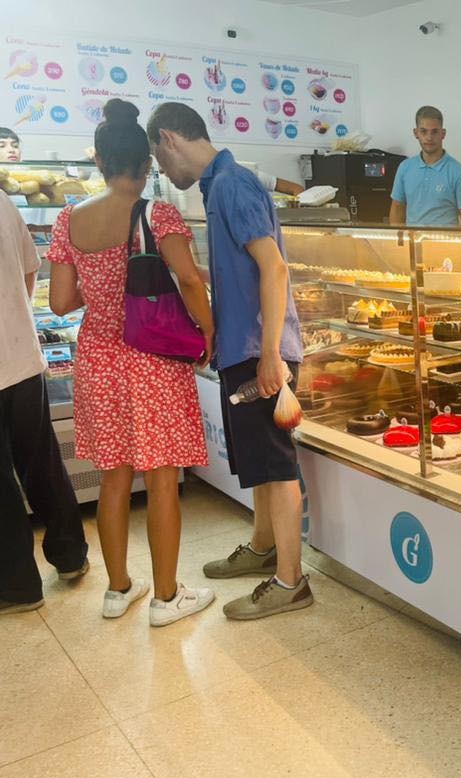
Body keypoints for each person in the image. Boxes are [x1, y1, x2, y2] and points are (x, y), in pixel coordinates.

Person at [47, 99, 215, 626]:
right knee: (163, 479)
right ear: (147, 164)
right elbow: (189, 279)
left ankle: (118, 589)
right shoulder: (156, 213)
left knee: (113, 478)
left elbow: (58, 302)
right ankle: (167, 597)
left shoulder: (69, 218)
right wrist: (209, 331)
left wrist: (100, 293)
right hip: (153, 360)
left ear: (99, 160)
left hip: (97, 359)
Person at [146, 102, 314, 621]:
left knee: (276, 463)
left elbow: (275, 268)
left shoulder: (233, 186)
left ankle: (291, 581)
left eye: (157, 154)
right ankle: (263, 547)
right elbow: (244, 271)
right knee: (260, 463)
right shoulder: (217, 188)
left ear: (169, 138)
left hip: (258, 349)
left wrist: (270, 355)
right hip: (243, 346)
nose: (160, 168)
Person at [0, 193, 88, 614]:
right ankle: (71, 556)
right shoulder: (1, 199)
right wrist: (15, 320)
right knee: (42, 461)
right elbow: (32, 270)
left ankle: (18, 587)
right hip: (22, 358)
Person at [389, 106, 461, 227]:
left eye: (434, 131)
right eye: (424, 131)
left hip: (445, 243)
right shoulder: (404, 168)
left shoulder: (458, 173)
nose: (429, 137)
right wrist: (396, 243)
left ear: (443, 133)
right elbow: (397, 209)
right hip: (412, 243)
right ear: (416, 133)